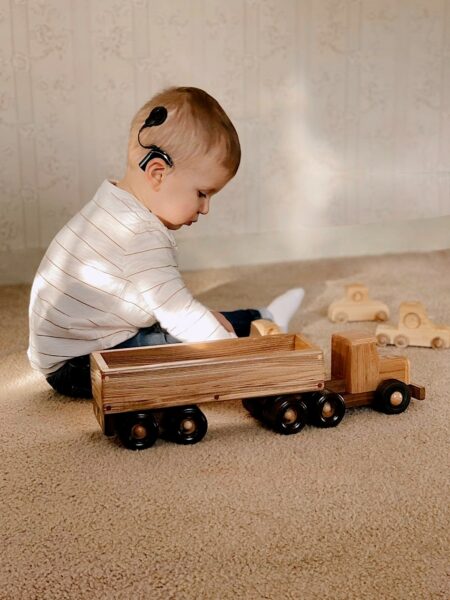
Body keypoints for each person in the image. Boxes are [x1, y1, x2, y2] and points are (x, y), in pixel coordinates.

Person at [27, 87, 304, 399]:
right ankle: (252, 325)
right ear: (157, 172)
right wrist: (232, 356)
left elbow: (171, 306)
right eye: (202, 193)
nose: (205, 208)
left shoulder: (111, 201)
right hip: (81, 365)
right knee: (184, 345)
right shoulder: (139, 234)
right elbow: (179, 314)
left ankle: (261, 316)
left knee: (192, 320)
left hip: (71, 347)